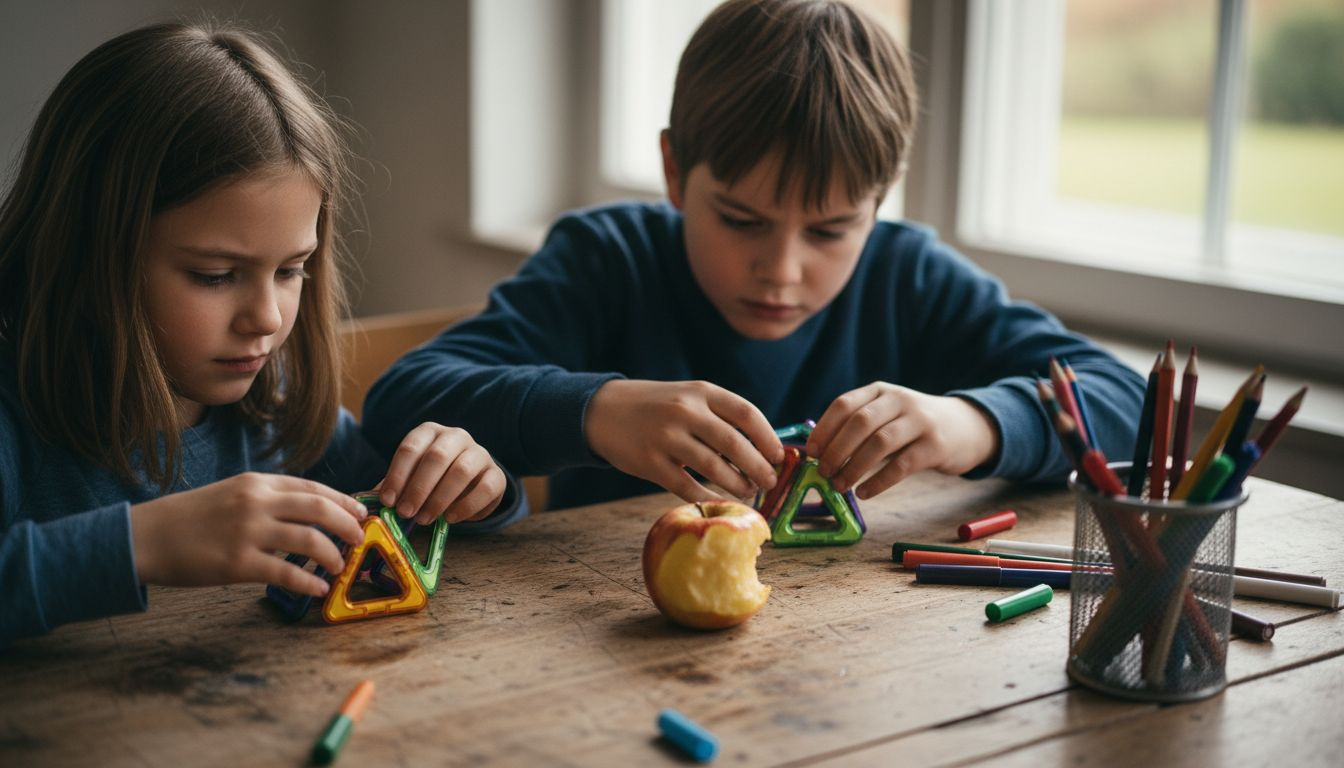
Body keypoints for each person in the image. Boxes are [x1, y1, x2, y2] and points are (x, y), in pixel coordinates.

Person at [364, 0, 1145, 511]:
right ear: (675, 172)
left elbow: (1130, 406)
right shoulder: (607, 260)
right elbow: (404, 397)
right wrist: (597, 412)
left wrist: (973, 421)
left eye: (831, 230)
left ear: (878, 203)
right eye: (741, 220)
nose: (782, 268)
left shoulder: (908, 274)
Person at [0, 23, 524, 648]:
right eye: (215, 275)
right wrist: (143, 543)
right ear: (87, 252)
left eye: (290, 270)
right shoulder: (16, 416)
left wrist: (473, 491)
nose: (268, 318)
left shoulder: (271, 400)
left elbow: (403, 520)